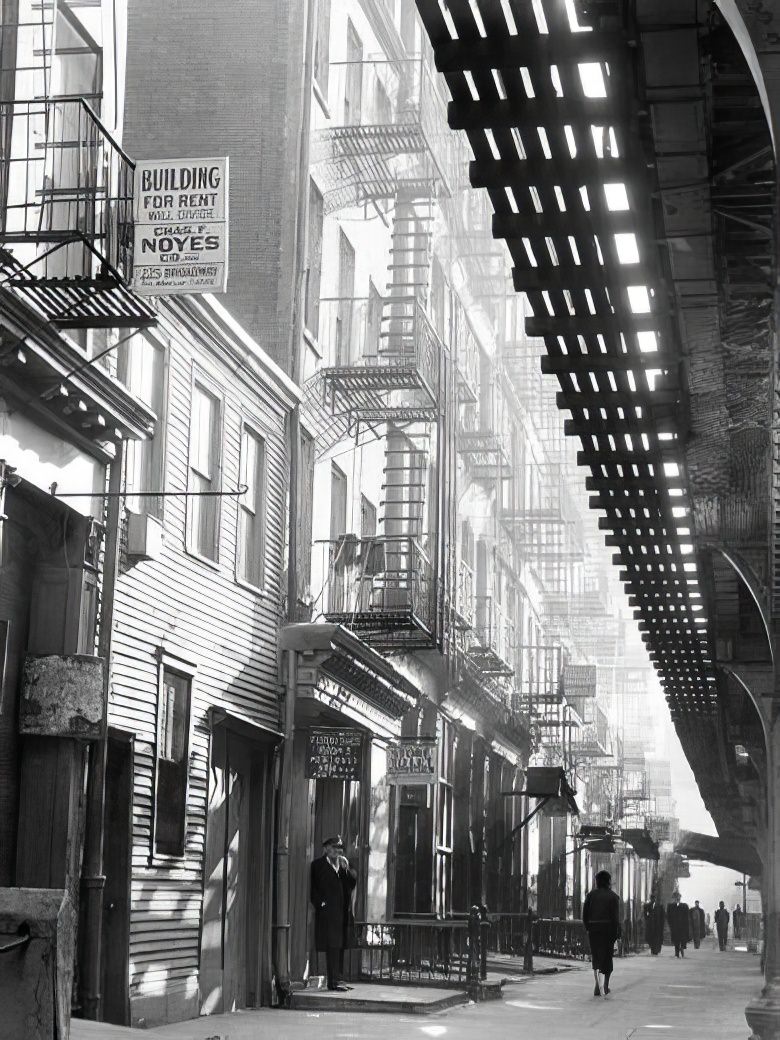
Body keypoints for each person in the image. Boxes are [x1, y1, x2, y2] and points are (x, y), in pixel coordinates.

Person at [310, 835, 357, 991]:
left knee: (341, 946)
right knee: (332, 946)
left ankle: (339, 980)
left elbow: (351, 884)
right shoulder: (318, 865)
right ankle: (333, 982)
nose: (338, 851)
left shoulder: (342, 866)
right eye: (335, 848)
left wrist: (346, 869)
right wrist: (322, 905)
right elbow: (314, 890)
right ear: (326, 849)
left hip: (342, 913)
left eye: (340, 849)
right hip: (328, 914)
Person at [583, 869, 621, 997]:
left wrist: (588, 927)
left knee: (597, 957)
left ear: (597, 882)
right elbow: (615, 918)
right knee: (607, 958)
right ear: (609, 882)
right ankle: (604, 985)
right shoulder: (613, 897)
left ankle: (597, 985)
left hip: (594, 930)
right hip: (608, 930)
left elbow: (585, 915)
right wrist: (617, 933)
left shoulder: (590, 896)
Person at [666, 891, 690, 958]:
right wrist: (670, 925)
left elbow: (687, 917)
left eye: (678, 897)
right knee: (676, 939)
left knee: (680, 939)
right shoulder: (670, 906)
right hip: (675, 926)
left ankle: (680, 949)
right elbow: (668, 916)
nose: (677, 899)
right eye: (676, 897)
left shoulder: (684, 906)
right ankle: (677, 952)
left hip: (681, 926)